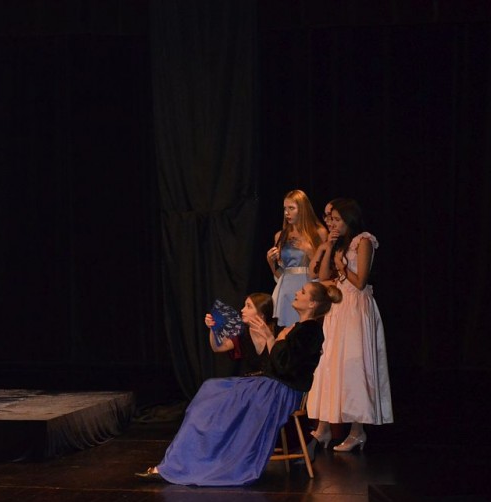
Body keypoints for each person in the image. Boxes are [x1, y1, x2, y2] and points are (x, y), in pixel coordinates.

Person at [136, 282, 342, 486]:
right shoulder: (296, 329)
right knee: (208, 397)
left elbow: (284, 366)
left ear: (312, 304)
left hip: (279, 391)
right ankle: (186, 461)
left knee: (212, 398)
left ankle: (195, 462)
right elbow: (271, 361)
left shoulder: (309, 331)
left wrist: (270, 338)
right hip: (268, 386)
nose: (297, 292)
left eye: (303, 292)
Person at [306, 198, 393, 453]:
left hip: (356, 307)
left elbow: (361, 281)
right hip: (338, 307)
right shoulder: (340, 243)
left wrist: (342, 267)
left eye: (336, 220)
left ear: (349, 219)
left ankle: (357, 431)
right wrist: (328, 248)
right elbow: (323, 277)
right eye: (330, 219)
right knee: (330, 364)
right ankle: (324, 428)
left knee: (354, 366)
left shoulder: (363, 240)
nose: (332, 224)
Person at [266, 190, 327, 326]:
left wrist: (309, 251)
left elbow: (325, 271)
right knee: (284, 329)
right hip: (285, 290)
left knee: (305, 328)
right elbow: (280, 275)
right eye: (285, 209)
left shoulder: (319, 233)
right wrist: (270, 261)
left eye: (291, 208)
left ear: (303, 209)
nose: (286, 213)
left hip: (307, 287)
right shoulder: (281, 236)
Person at [204, 293, 275, 376]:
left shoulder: (278, 331)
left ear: (261, 313)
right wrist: (213, 327)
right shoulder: (242, 332)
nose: (242, 310)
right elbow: (218, 347)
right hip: (249, 380)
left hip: (271, 380)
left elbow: (277, 364)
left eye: (249, 306)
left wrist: (269, 338)